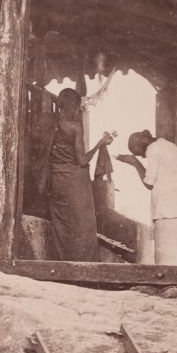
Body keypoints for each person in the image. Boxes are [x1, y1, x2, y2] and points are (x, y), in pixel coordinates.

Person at [38, 88, 114, 261]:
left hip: (55, 180)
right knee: (83, 227)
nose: (78, 111)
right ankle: (84, 266)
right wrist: (100, 144)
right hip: (73, 183)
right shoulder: (74, 126)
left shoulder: (47, 121)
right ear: (73, 106)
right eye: (78, 108)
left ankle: (65, 262)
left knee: (62, 225)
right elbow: (82, 160)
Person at [116, 130, 177, 265]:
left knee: (166, 259)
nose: (141, 156)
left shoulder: (153, 149)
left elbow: (149, 183)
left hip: (166, 211)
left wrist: (134, 162)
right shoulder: (168, 145)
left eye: (137, 152)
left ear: (142, 141)